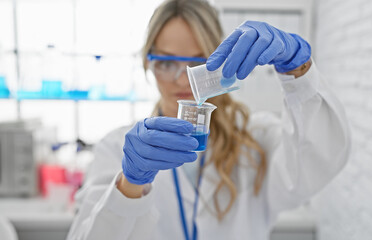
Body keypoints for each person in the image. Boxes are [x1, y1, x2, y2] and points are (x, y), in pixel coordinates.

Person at [67, 0, 351, 239]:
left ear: (222, 61)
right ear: (148, 65)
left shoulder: (256, 137)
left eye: (197, 62)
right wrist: (129, 185)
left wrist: (298, 74)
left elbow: (318, 162)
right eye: (166, 63)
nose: (182, 78)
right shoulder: (116, 149)